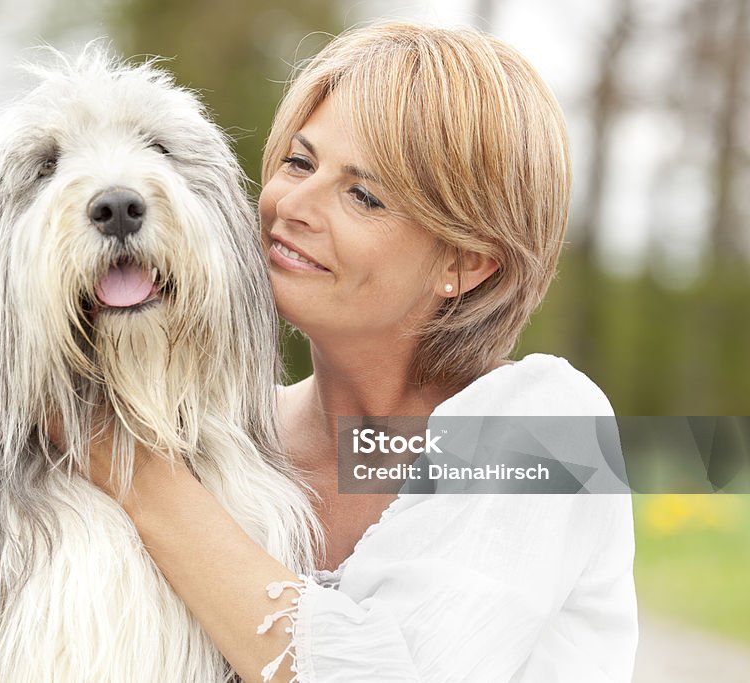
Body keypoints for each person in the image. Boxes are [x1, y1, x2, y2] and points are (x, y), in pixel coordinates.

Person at [83, 22, 638, 683]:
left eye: (362, 194)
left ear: (466, 261)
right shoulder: (221, 434)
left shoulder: (552, 432)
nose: (294, 205)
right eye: (298, 161)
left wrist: (138, 476)